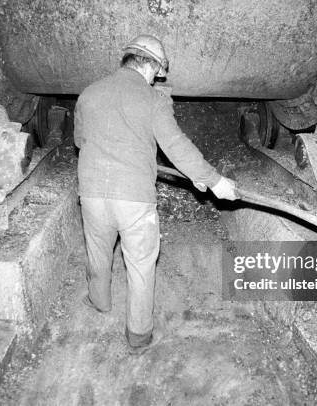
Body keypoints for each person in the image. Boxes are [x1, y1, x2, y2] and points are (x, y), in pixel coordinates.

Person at [74, 34, 238, 349]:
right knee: (140, 263)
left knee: (98, 251)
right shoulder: (153, 100)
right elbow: (175, 145)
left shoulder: (88, 93)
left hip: (92, 193)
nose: (155, 79)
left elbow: (80, 141)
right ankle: (138, 336)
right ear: (150, 65)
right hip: (134, 197)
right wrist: (214, 180)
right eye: (157, 72)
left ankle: (99, 302)